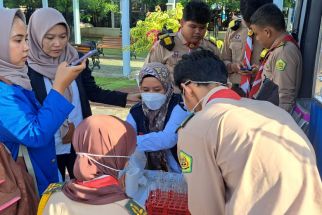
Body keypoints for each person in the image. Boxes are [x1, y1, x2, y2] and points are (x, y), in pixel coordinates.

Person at [173, 50, 322, 214]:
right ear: (226, 84)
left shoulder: (197, 128)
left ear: (187, 89)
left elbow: (206, 208)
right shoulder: (271, 109)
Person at [27, 8, 140, 181]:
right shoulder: (27, 69)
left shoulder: (76, 58)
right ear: (35, 36)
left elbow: (92, 91)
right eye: (49, 38)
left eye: (63, 36)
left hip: (78, 142)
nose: (57, 43)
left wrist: (125, 98)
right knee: (54, 192)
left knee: (82, 185)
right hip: (48, 145)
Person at [0, 9, 86, 195]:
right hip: (26, 185)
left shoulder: (15, 77)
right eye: (18, 40)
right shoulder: (3, 90)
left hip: (41, 175)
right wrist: (59, 88)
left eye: (26, 39)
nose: (26, 47)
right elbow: (34, 134)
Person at [38, 115, 138, 215]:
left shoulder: (52, 196)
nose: (129, 162)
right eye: (128, 155)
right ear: (117, 158)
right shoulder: (128, 210)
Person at [126, 63, 188, 173]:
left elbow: (168, 139)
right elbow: (126, 135)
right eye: (145, 90)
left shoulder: (180, 105)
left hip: (179, 170)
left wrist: (131, 141)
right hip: (146, 171)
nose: (151, 94)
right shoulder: (136, 111)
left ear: (167, 86)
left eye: (157, 89)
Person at [144, 1, 220, 89]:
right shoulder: (164, 45)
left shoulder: (211, 49)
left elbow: (220, 79)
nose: (197, 32)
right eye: (193, 26)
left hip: (201, 100)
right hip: (171, 99)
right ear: (182, 23)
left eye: (202, 28)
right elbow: (147, 74)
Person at [249, 3, 302, 111]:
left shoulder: (284, 52)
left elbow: (283, 98)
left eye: (256, 34)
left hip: (273, 118)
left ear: (267, 32)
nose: (257, 39)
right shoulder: (278, 50)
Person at [221, 0, 272, 95]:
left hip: (259, 90)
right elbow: (223, 60)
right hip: (234, 90)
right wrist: (233, 67)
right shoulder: (233, 28)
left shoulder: (270, 32)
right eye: (247, 21)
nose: (251, 25)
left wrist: (260, 71)